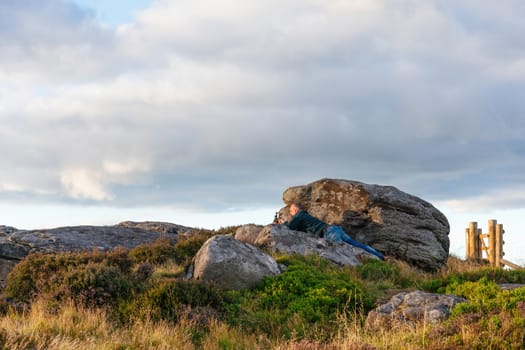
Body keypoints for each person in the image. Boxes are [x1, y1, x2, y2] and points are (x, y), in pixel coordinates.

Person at [276, 203, 385, 260]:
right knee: (356, 244)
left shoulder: (298, 216)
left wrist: (282, 224)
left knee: (339, 253)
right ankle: (380, 256)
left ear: (295, 209)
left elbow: (290, 228)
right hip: (334, 229)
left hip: (329, 233)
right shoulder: (305, 215)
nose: (290, 213)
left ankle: (354, 270)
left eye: (290, 211)